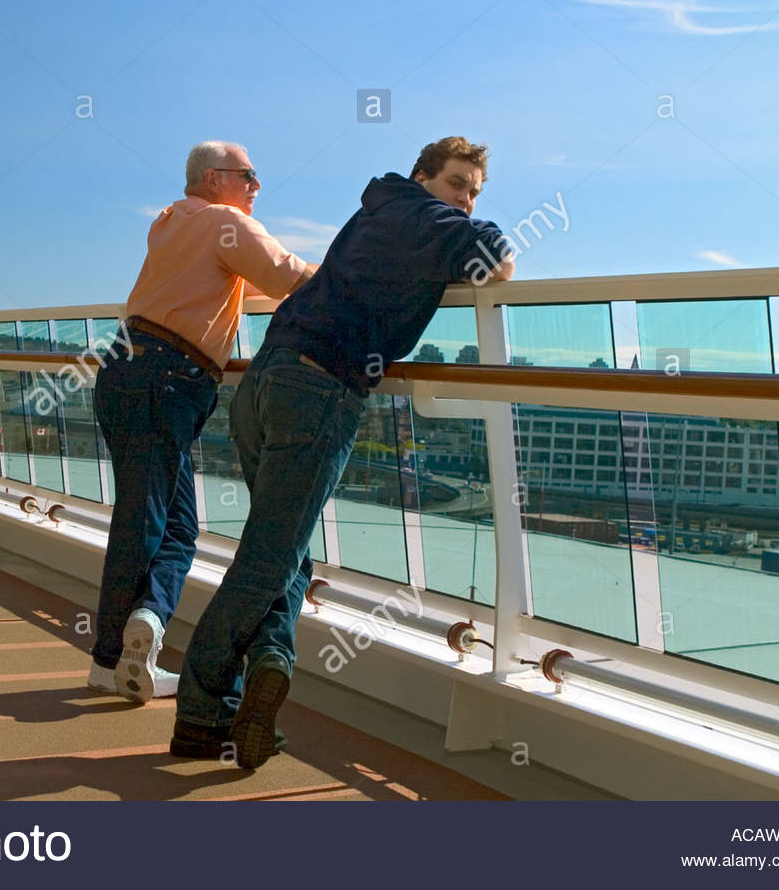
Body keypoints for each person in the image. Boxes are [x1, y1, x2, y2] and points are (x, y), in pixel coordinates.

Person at [173, 136, 515, 767]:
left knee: (283, 549)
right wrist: (467, 233)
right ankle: (199, 712)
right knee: (265, 560)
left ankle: (269, 664)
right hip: (321, 389)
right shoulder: (429, 218)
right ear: (424, 177)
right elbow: (497, 259)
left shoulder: (375, 209)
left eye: (474, 191)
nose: (465, 200)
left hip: (265, 381)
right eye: (458, 184)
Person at [88, 141, 317, 709]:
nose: (257, 187)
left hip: (126, 367)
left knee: (175, 524)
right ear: (216, 179)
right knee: (145, 517)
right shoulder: (224, 222)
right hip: (168, 376)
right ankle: (111, 656)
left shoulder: (171, 221)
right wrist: (354, 277)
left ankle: (142, 627)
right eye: (250, 176)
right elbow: (288, 276)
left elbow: (238, 279)